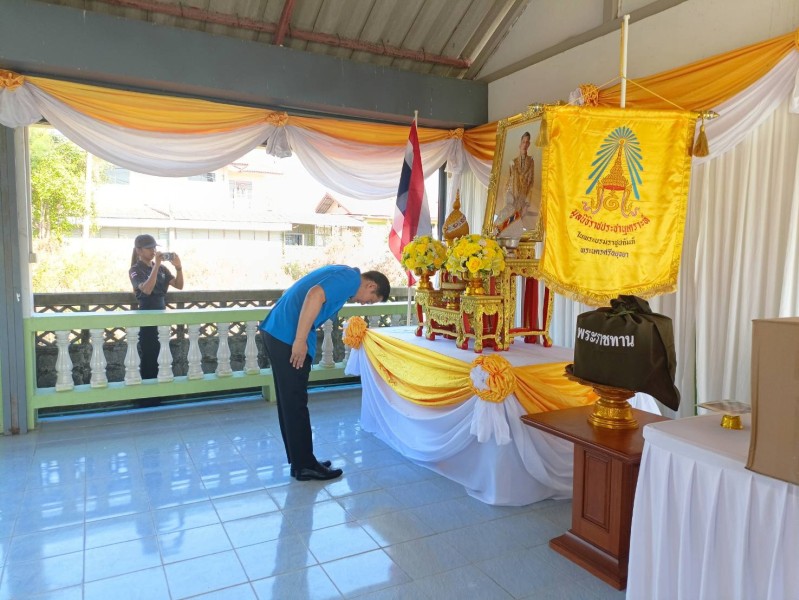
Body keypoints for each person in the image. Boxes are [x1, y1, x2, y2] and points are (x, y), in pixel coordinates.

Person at [260, 265, 390, 481]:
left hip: (278, 331)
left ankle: (301, 461)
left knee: (290, 403)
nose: (363, 303)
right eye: (370, 300)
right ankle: (304, 465)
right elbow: (315, 295)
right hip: (287, 336)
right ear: (371, 285)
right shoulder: (350, 278)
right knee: (295, 403)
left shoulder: (342, 275)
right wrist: (300, 340)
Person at [128, 234, 184, 384]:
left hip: (162, 315)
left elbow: (179, 285)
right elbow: (147, 290)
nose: (153, 251)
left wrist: (178, 267)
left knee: (163, 355)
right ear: (139, 251)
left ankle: (162, 389)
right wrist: (156, 266)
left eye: (154, 247)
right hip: (146, 316)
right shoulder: (135, 270)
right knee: (149, 355)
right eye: (149, 248)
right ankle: (148, 392)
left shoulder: (162, 269)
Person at [496, 131, 537, 238]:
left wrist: (527, 202)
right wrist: (508, 198)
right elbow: (508, 183)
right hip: (511, 198)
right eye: (523, 142)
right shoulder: (513, 162)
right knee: (508, 225)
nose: (525, 144)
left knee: (518, 225)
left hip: (523, 199)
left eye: (527, 142)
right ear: (520, 143)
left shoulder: (531, 161)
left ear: (529, 144)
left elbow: (531, 183)